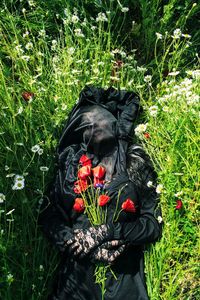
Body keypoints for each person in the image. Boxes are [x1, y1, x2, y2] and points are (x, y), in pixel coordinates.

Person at [39, 86, 162, 300]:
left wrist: (109, 231)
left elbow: (152, 224)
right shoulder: (71, 169)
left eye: (102, 124)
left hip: (124, 277)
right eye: (89, 126)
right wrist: (76, 242)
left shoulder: (135, 164)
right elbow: (48, 216)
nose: (97, 129)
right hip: (76, 279)